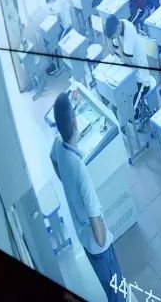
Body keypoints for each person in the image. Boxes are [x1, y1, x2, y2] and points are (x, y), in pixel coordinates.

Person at [49, 92, 125, 302]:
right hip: (98, 245)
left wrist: (65, 182)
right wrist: (103, 239)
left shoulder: (58, 144)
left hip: (84, 237)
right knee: (116, 290)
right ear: (75, 121)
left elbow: (52, 159)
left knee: (108, 286)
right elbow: (95, 218)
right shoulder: (79, 168)